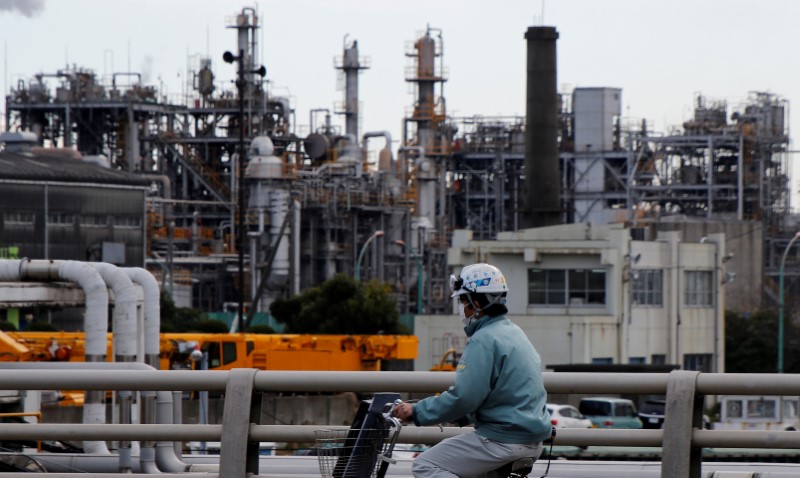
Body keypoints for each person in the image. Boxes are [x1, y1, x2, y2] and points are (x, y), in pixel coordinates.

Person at [395, 263, 551, 477]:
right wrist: (461, 416)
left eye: (462, 300)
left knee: (425, 465)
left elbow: (464, 397)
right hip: (531, 439)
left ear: (476, 303)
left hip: (501, 440)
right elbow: (498, 395)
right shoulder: (514, 333)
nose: (460, 307)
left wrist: (417, 411)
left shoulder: (483, 340)